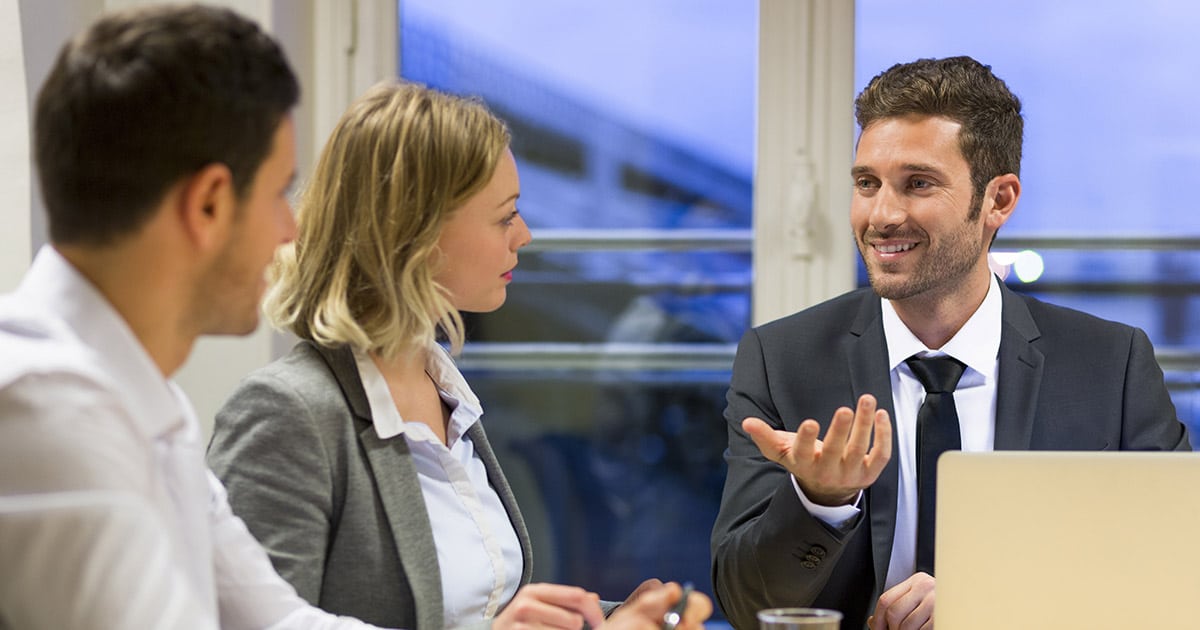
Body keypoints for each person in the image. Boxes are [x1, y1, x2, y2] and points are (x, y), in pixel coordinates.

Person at [0, 6, 708, 630]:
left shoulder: (148, 406)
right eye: (280, 192)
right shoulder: (47, 412)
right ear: (209, 203)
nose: (291, 229)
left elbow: (281, 620)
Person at [205, 80, 708, 630]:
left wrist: (605, 621)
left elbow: (479, 612)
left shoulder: (443, 390)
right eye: (505, 216)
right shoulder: (287, 412)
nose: (525, 235)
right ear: (416, 232)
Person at [710, 56, 1191, 630]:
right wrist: (820, 503)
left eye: (918, 183)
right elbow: (745, 608)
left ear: (999, 201)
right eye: (867, 184)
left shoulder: (1110, 366)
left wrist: (991, 598)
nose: (881, 215)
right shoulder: (780, 360)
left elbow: (1175, 572)